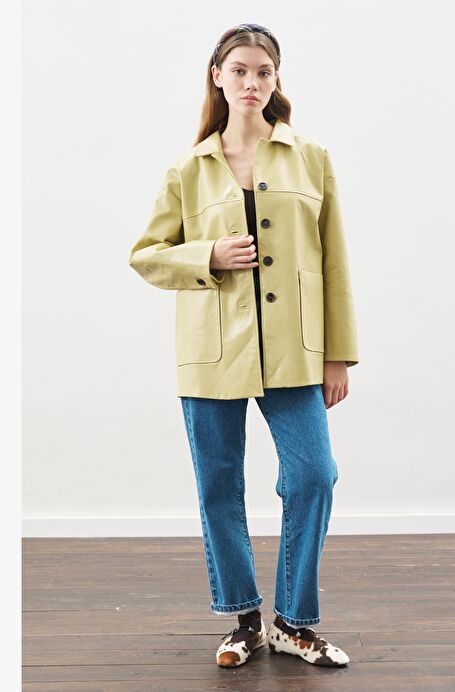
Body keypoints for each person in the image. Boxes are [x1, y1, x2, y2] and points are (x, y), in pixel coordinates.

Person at [129, 23, 358, 669]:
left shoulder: (310, 157)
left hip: (295, 351)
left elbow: (334, 261)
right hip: (212, 352)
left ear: (275, 79)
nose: (251, 82)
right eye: (239, 70)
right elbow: (146, 255)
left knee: (313, 475)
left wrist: (337, 354)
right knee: (218, 487)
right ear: (218, 77)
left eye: (263, 71)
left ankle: (293, 622)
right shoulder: (188, 168)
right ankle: (244, 622)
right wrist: (207, 254)